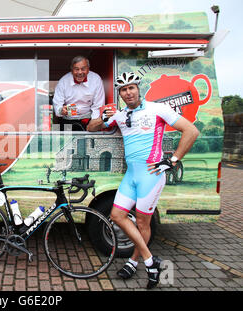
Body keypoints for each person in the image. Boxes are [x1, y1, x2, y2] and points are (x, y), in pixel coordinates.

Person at [88, 72, 199, 289]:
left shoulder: (157, 109)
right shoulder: (120, 115)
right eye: (123, 89)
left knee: (142, 222)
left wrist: (173, 160)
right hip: (131, 175)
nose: (128, 92)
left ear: (139, 89)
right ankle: (151, 261)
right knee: (117, 215)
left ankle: (133, 262)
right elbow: (91, 127)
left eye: (131, 88)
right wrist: (103, 117)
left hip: (151, 175)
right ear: (120, 94)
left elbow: (191, 131)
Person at [52, 56, 105, 131]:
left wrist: (93, 124)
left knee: (87, 142)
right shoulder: (63, 81)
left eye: (83, 69)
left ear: (88, 69)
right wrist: (61, 110)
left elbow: (98, 105)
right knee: (67, 142)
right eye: (76, 69)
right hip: (67, 119)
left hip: (88, 118)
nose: (80, 72)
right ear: (71, 70)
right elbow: (57, 105)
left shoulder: (96, 80)